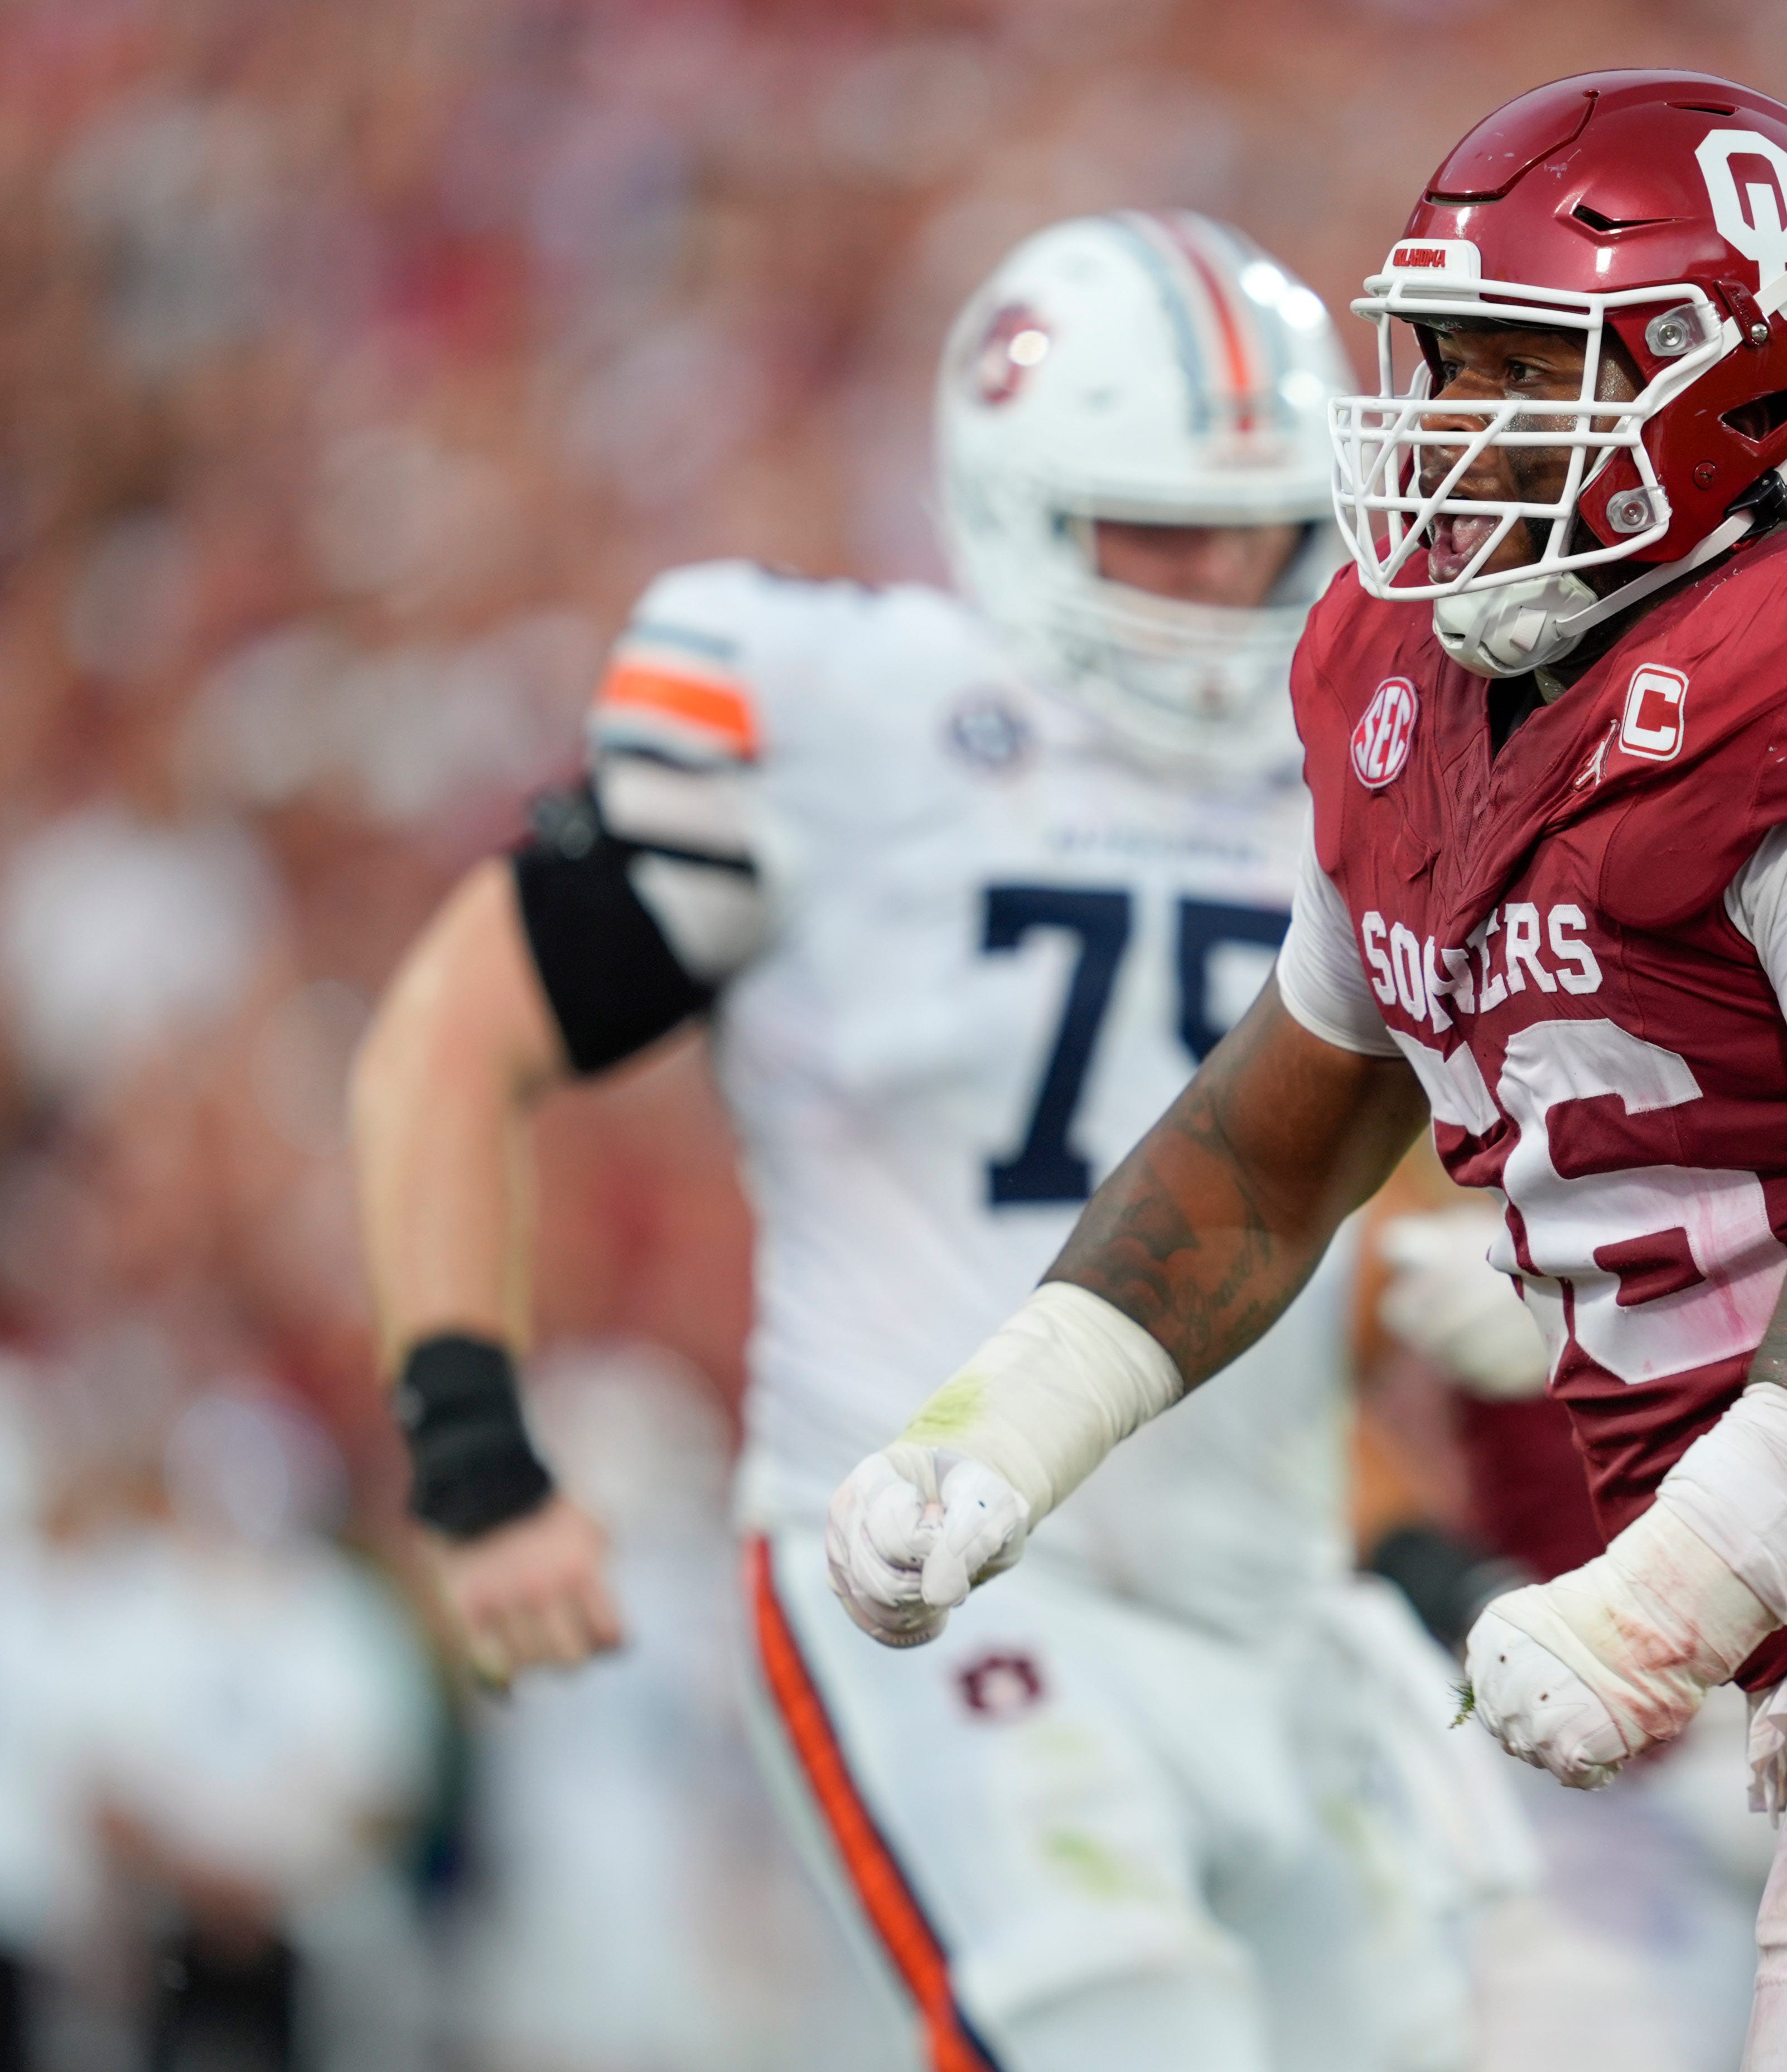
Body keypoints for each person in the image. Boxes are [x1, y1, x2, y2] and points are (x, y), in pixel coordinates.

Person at [825, 73, 1787, 2072]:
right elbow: (1267, 1147)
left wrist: (1657, 1603)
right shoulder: (1414, 679)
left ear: (1731, 400)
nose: (1441, 416)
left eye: (1509, 364)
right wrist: (1005, 1420)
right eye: (1438, 355)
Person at [350, 210, 1513, 2072]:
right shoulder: (839, 713)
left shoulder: (1376, 755)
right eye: (1155, 521)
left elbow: (1284, 1278)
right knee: (1124, 2029)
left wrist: (1425, 1550)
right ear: (1013, 499)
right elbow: (448, 1042)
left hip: (1272, 1604)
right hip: (926, 1564)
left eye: (1264, 521)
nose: (1219, 574)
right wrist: (473, 1448)